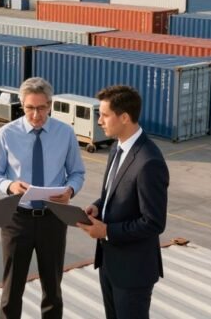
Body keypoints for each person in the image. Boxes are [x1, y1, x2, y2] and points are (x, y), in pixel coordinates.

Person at [0, 77, 86, 319]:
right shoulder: (7, 133)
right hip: (17, 220)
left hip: (53, 218)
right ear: (22, 105)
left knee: (52, 289)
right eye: (30, 108)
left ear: (50, 105)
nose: (35, 115)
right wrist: (10, 186)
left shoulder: (65, 133)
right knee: (12, 290)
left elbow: (77, 173)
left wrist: (70, 191)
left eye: (41, 108)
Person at [78, 85, 169, 319]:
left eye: (105, 115)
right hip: (110, 264)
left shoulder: (149, 162)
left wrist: (106, 231)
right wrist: (99, 206)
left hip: (133, 273)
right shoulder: (117, 148)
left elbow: (154, 222)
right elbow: (116, 192)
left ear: (125, 117)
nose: (99, 121)